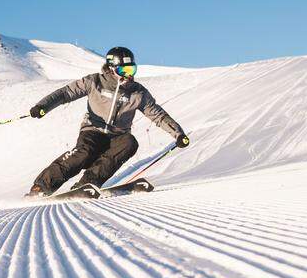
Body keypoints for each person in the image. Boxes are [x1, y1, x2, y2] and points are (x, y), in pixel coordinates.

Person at [26, 47, 188, 196]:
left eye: (131, 69)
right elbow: (66, 93)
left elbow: (158, 115)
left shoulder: (138, 92)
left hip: (118, 136)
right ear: (111, 68)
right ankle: (41, 186)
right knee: (84, 153)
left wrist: (178, 134)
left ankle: (88, 183)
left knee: (129, 143)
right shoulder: (94, 81)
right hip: (92, 131)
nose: (128, 74)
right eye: (123, 70)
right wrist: (43, 106)